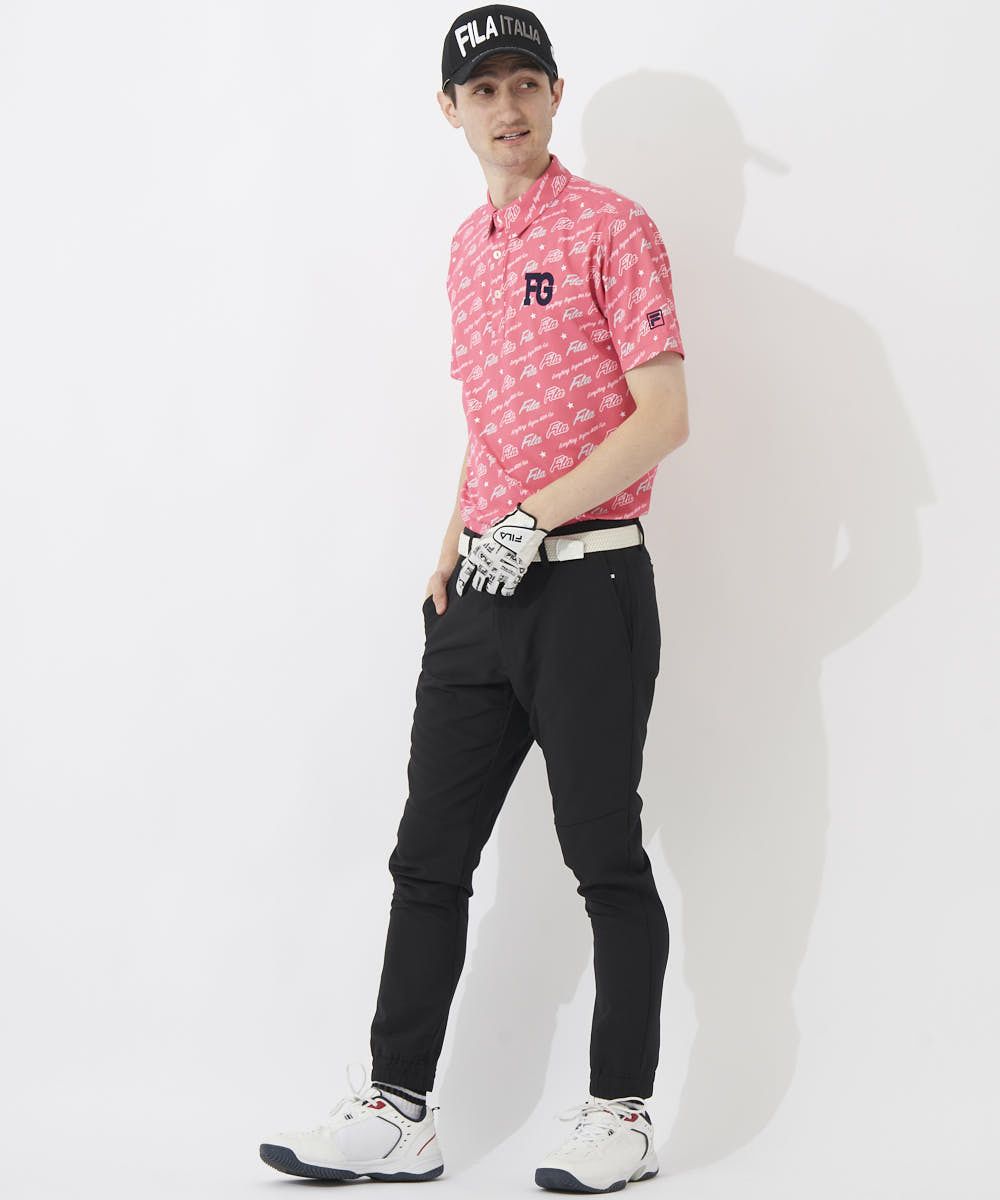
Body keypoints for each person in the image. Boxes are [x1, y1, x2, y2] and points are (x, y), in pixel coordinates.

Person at [259, 4, 689, 1191]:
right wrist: (453, 542)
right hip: (481, 597)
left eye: (524, 83)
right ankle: (398, 1110)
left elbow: (663, 416)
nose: (507, 106)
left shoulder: (613, 228)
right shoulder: (467, 248)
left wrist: (528, 518)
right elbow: (489, 420)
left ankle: (621, 1116)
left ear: (555, 95)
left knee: (603, 854)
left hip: (590, 583)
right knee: (428, 855)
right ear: (448, 109)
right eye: (483, 88)